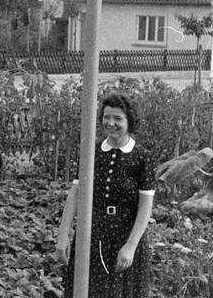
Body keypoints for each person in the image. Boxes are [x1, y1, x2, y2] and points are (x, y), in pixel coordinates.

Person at [55, 93, 155, 297]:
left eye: (118, 118)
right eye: (106, 117)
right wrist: (63, 235)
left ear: (130, 121)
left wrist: (130, 246)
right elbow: (75, 195)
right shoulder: (90, 152)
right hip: (92, 235)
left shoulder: (142, 157)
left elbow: (145, 208)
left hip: (126, 236)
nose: (111, 123)